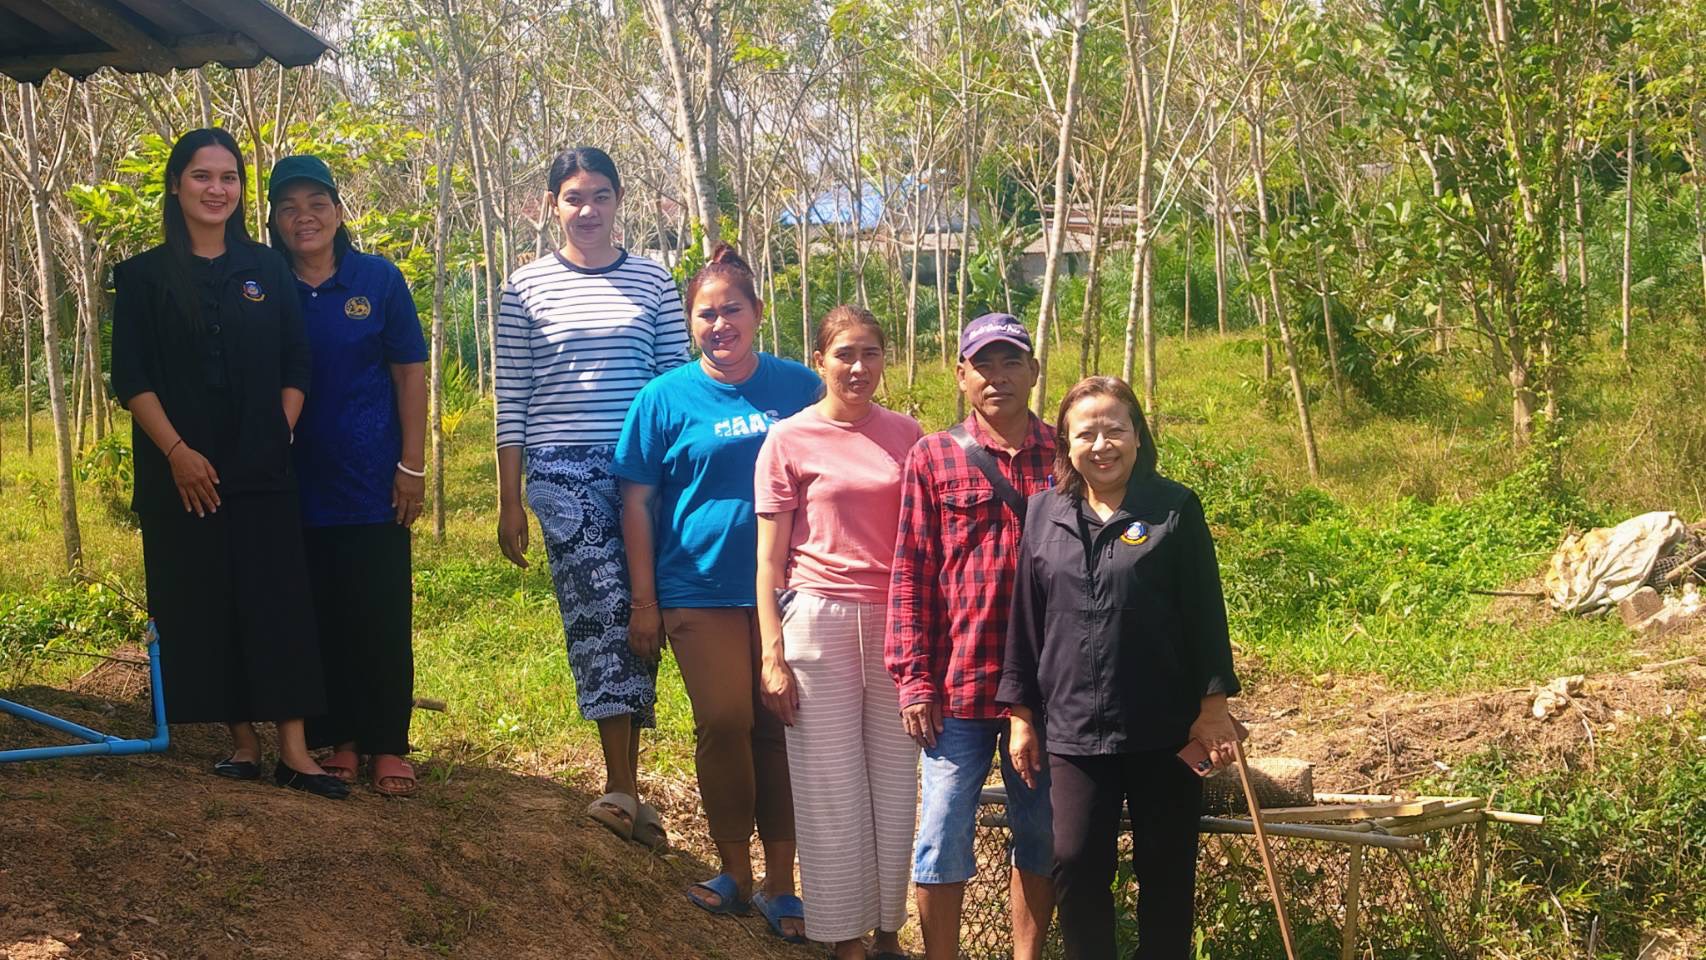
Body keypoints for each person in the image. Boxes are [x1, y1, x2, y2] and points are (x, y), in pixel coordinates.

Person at [109, 129, 345, 799]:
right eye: (202, 176)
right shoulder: (144, 276)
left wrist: (281, 425)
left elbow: (296, 360)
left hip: (262, 468)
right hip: (177, 471)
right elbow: (131, 376)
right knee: (206, 599)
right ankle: (242, 745)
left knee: (278, 600)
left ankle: (295, 753)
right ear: (177, 185)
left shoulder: (267, 269)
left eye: (230, 177)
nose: (217, 189)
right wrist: (178, 454)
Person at [614, 244, 820, 943]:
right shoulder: (662, 399)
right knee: (726, 718)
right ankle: (732, 869)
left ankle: (781, 884)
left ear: (757, 314)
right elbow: (636, 504)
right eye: (706, 313)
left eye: (733, 308)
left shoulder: (800, 389)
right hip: (696, 588)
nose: (720, 323)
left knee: (778, 725)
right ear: (689, 323)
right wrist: (645, 601)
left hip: (792, 591)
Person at [1000, 376, 1242, 960]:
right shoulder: (1042, 511)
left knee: (1165, 868)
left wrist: (1213, 710)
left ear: (1138, 437)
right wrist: (1021, 715)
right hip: (1074, 730)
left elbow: (1205, 610)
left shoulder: (1172, 508)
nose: (1102, 444)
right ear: (1066, 443)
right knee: (1076, 860)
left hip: (1164, 728)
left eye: (1115, 430)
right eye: (1087, 433)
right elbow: (1025, 621)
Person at [495, 147, 692, 845]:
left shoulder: (654, 281)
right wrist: (510, 496)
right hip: (560, 473)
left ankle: (630, 788)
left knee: (647, 616)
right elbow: (512, 395)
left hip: (643, 470)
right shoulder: (524, 289)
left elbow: (675, 384)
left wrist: (678, 476)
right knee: (606, 613)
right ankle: (622, 786)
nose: (588, 210)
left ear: (618, 202)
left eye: (600, 196)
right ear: (551, 205)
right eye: (574, 197)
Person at [886, 312, 1057, 960]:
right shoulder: (933, 456)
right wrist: (913, 680)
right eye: (983, 364)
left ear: (1034, 372)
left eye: (1011, 361)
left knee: (1039, 834)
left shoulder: (1065, 455)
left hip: (1041, 695)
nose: (998, 376)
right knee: (939, 834)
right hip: (957, 686)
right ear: (960, 376)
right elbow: (911, 572)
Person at [754, 305, 923, 959]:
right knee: (829, 787)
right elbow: (768, 560)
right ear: (819, 361)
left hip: (895, 626)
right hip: (817, 621)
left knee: (892, 782)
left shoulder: (909, 436)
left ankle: (887, 933)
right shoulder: (787, 440)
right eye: (845, 354)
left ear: (886, 359)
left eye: (871, 353)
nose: (859, 367)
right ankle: (843, 937)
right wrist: (771, 654)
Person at [267, 154, 429, 798]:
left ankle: (388, 741)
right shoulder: (267, 287)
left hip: (371, 483)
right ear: (275, 221)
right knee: (320, 613)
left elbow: (409, 373)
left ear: (338, 211)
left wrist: (411, 466)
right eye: (289, 207)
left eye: (316, 203)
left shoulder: (378, 280)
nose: (304, 217)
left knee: (380, 614)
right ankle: (342, 739)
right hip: (293, 484)